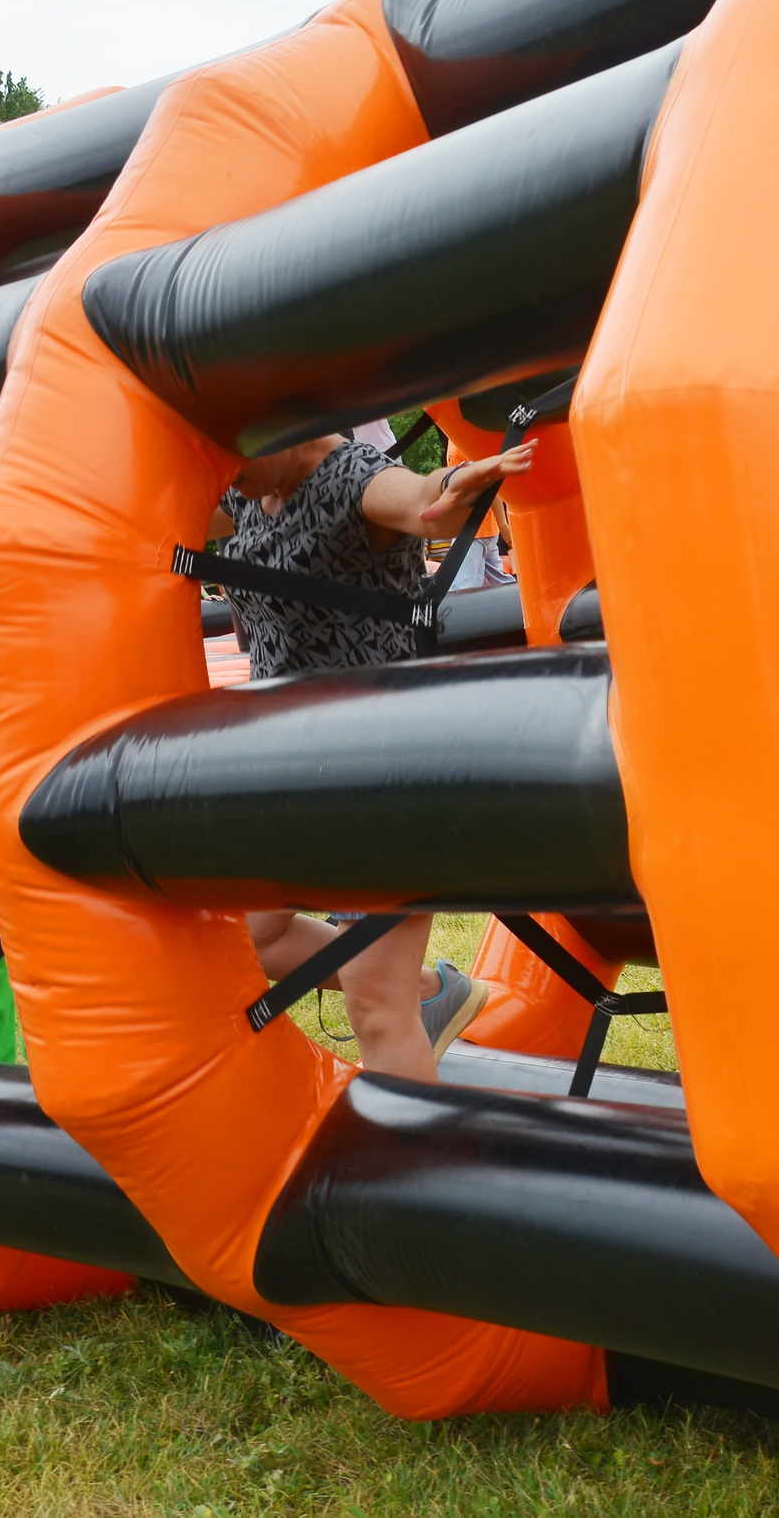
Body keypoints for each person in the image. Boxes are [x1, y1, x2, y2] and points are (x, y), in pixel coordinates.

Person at [217, 428, 536, 1080]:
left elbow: (418, 494)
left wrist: (455, 483)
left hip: (378, 770)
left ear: (282, 424)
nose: (225, 474)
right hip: (290, 769)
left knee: (376, 1005)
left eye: (233, 457)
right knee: (257, 939)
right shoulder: (246, 487)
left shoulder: (351, 476)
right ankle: (430, 989)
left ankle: (414, 1168)